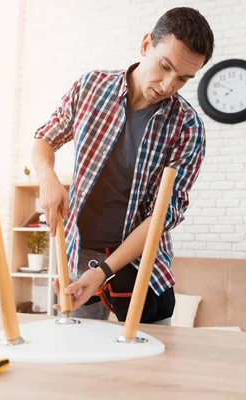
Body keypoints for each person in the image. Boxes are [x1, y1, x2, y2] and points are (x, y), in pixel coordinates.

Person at [31, 7, 214, 325]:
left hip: (140, 262)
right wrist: (47, 176)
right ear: (146, 45)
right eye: (165, 66)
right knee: (81, 361)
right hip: (79, 254)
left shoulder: (188, 127)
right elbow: (45, 138)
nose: (169, 85)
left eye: (183, 78)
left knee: (147, 367)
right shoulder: (91, 87)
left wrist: (105, 271)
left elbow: (164, 214)